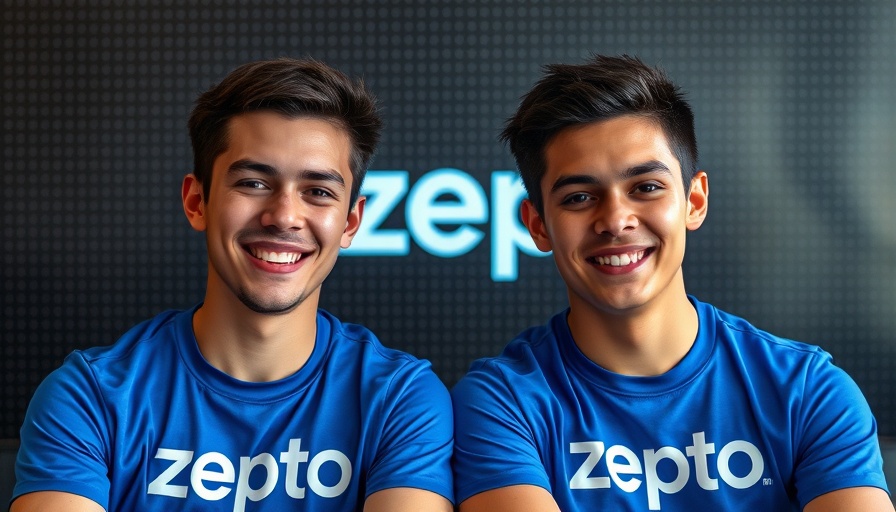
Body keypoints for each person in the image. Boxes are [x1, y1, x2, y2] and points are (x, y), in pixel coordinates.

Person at [451, 54, 892, 511]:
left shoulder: (809, 389)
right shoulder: (499, 404)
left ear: (694, 201)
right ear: (538, 226)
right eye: (579, 197)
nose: (616, 220)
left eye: (646, 187)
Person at [12, 58, 453, 512]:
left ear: (351, 221)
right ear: (197, 200)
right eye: (254, 182)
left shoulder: (400, 398)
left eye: (318, 191)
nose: (284, 215)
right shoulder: (88, 396)